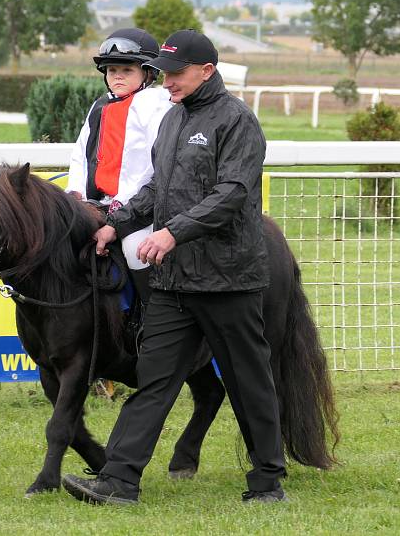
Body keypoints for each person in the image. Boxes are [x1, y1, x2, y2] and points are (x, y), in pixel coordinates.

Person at [62, 29, 288, 505]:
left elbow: (233, 194)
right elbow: (153, 191)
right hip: (173, 281)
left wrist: (173, 232)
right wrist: (117, 225)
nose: (167, 83)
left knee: (248, 382)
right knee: (155, 379)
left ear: (207, 70)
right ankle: (119, 481)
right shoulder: (172, 121)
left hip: (228, 280)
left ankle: (267, 482)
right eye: (162, 74)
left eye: (176, 74)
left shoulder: (238, 121)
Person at [66, 27, 172, 301]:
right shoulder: (99, 106)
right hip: (97, 201)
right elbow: (81, 155)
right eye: (112, 70)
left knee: (135, 248)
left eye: (127, 71)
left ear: (148, 74)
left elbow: (152, 167)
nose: (117, 76)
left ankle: (152, 314)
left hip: (139, 207)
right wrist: (75, 193)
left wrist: (121, 204)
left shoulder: (154, 104)